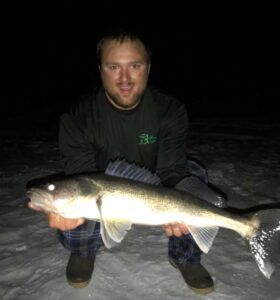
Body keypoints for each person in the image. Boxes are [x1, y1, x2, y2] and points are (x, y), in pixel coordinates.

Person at [28, 29, 226, 295]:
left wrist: (178, 205)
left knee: (194, 174)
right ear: (100, 69)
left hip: (156, 181)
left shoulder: (170, 109)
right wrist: (59, 205)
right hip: (99, 183)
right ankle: (84, 251)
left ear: (148, 67)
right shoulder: (78, 116)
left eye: (134, 65)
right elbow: (79, 173)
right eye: (113, 67)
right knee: (74, 209)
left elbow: (172, 170)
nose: (124, 79)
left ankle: (185, 256)